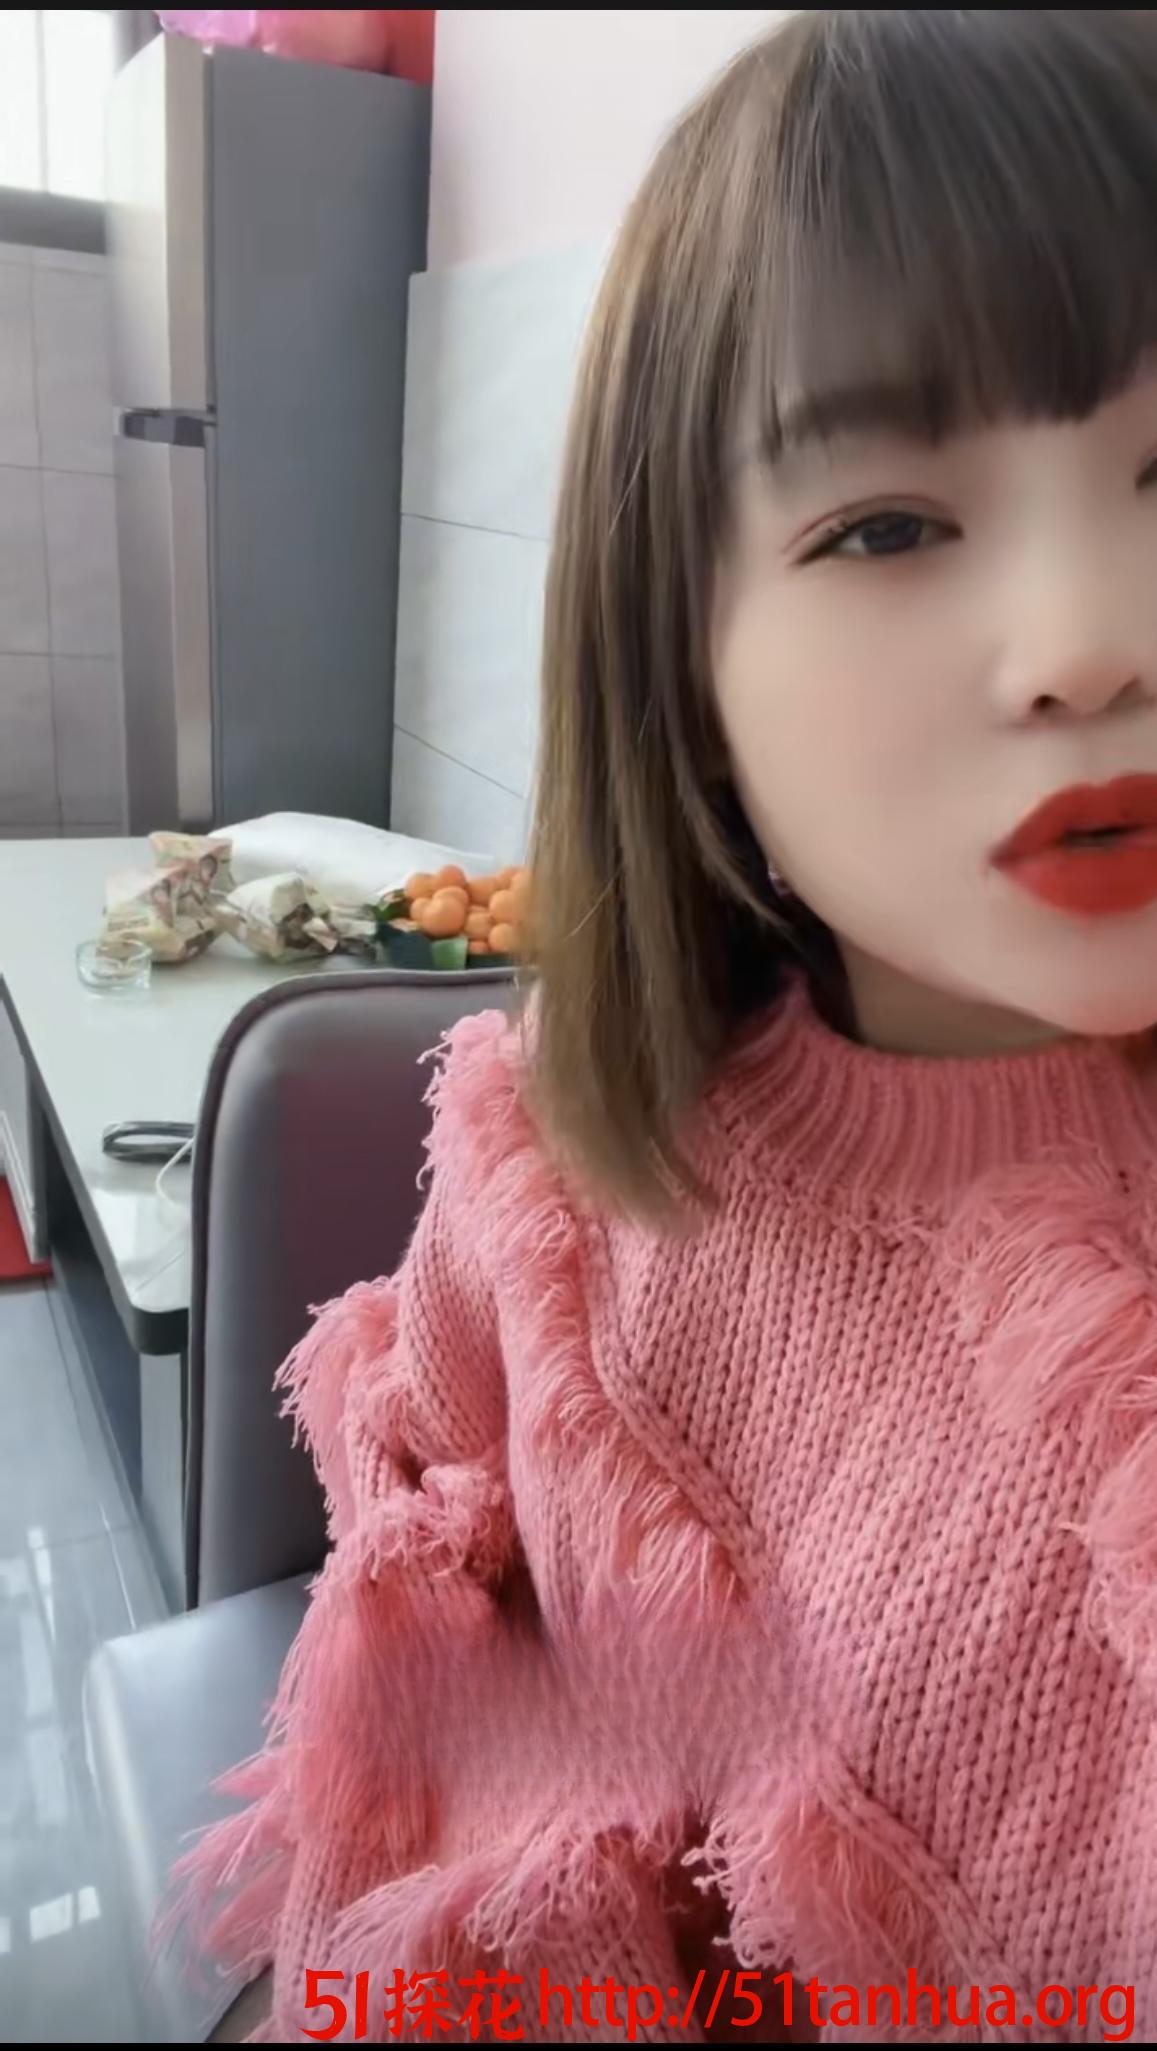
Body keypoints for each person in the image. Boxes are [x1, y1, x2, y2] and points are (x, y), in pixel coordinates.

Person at [185, 11, 1157, 2043]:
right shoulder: (550, 1161)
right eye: (885, 525)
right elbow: (410, 1691)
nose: (1087, 644)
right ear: (676, 654)